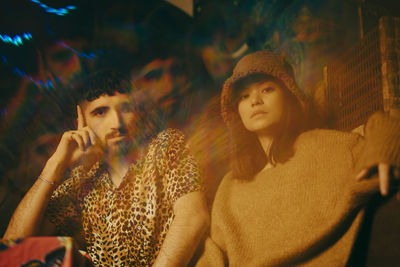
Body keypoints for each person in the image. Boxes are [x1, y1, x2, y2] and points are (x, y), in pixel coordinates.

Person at [196, 51, 400, 266]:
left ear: (288, 95)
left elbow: (385, 127)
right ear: (237, 111)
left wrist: (387, 147)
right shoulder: (230, 186)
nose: (255, 101)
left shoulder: (326, 146)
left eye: (267, 89)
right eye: (244, 96)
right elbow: (213, 255)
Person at [3, 70, 209, 266]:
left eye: (126, 108)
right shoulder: (81, 183)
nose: (117, 123)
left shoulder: (165, 146)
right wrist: (54, 166)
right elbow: (13, 248)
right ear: (81, 122)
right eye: (100, 112)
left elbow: (193, 218)